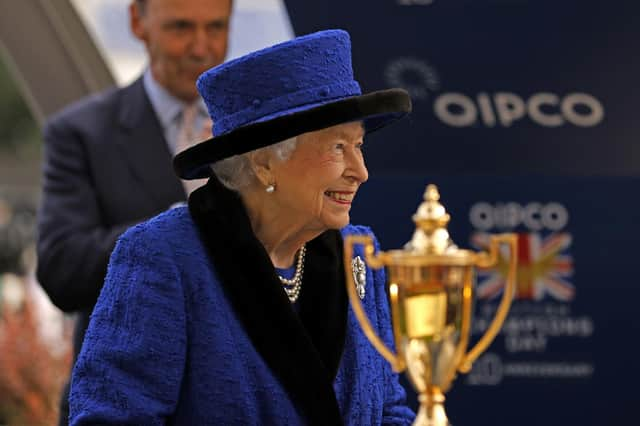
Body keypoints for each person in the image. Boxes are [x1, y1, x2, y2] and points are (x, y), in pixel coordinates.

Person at [69, 29, 414, 425]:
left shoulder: (360, 254)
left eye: (359, 146)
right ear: (264, 162)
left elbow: (389, 410)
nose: (361, 172)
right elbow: (112, 419)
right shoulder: (165, 257)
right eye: (338, 147)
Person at [35, 0, 233, 424]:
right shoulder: (81, 134)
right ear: (137, 22)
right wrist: (188, 219)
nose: (202, 48)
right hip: (124, 404)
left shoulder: (258, 134)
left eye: (216, 28)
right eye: (182, 28)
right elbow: (61, 271)